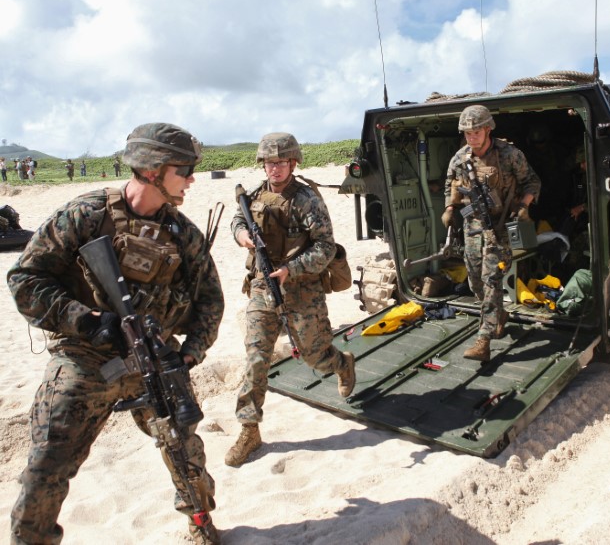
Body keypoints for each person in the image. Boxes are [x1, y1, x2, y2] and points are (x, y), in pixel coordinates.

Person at [7, 123, 224, 545]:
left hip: (155, 358)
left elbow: (210, 302)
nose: (192, 180)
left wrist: (190, 354)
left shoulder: (184, 233)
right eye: (185, 170)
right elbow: (26, 278)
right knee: (46, 466)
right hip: (86, 357)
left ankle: (201, 526)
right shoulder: (85, 215)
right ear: (153, 170)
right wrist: (85, 319)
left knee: (185, 454)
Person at [225, 132, 356, 467]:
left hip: (302, 290)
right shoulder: (255, 195)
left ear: (293, 163)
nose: (275, 168)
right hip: (261, 289)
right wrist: (242, 235)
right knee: (256, 358)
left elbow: (326, 248)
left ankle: (342, 364)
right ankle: (249, 429)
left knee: (314, 357)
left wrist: (291, 269)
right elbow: (238, 219)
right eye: (270, 162)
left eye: (281, 162)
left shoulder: (307, 200)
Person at [441, 105, 540, 363]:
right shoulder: (461, 158)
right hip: (473, 224)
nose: (471, 137)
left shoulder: (510, 155)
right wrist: (450, 208)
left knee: (491, 280)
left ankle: (483, 339)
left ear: (487, 129)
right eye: (467, 133)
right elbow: (450, 184)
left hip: (501, 226)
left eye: (476, 132)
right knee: (474, 279)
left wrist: (522, 206)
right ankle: (498, 314)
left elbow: (532, 181)